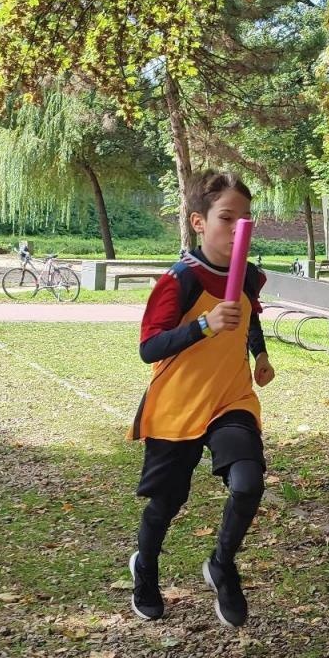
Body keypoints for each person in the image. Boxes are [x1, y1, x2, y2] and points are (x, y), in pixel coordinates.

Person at [128, 171, 275, 627]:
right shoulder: (178, 281)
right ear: (198, 222)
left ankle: (222, 564)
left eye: (245, 219)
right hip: (179, 404)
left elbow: (246, 317)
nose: (237, 228)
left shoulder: (248, 275)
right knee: (168, 502)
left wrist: (261, 353)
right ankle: (145, 568)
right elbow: (149, 348)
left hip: (231, 398)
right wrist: (203, 326)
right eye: (227, 218)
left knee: (248, 482)